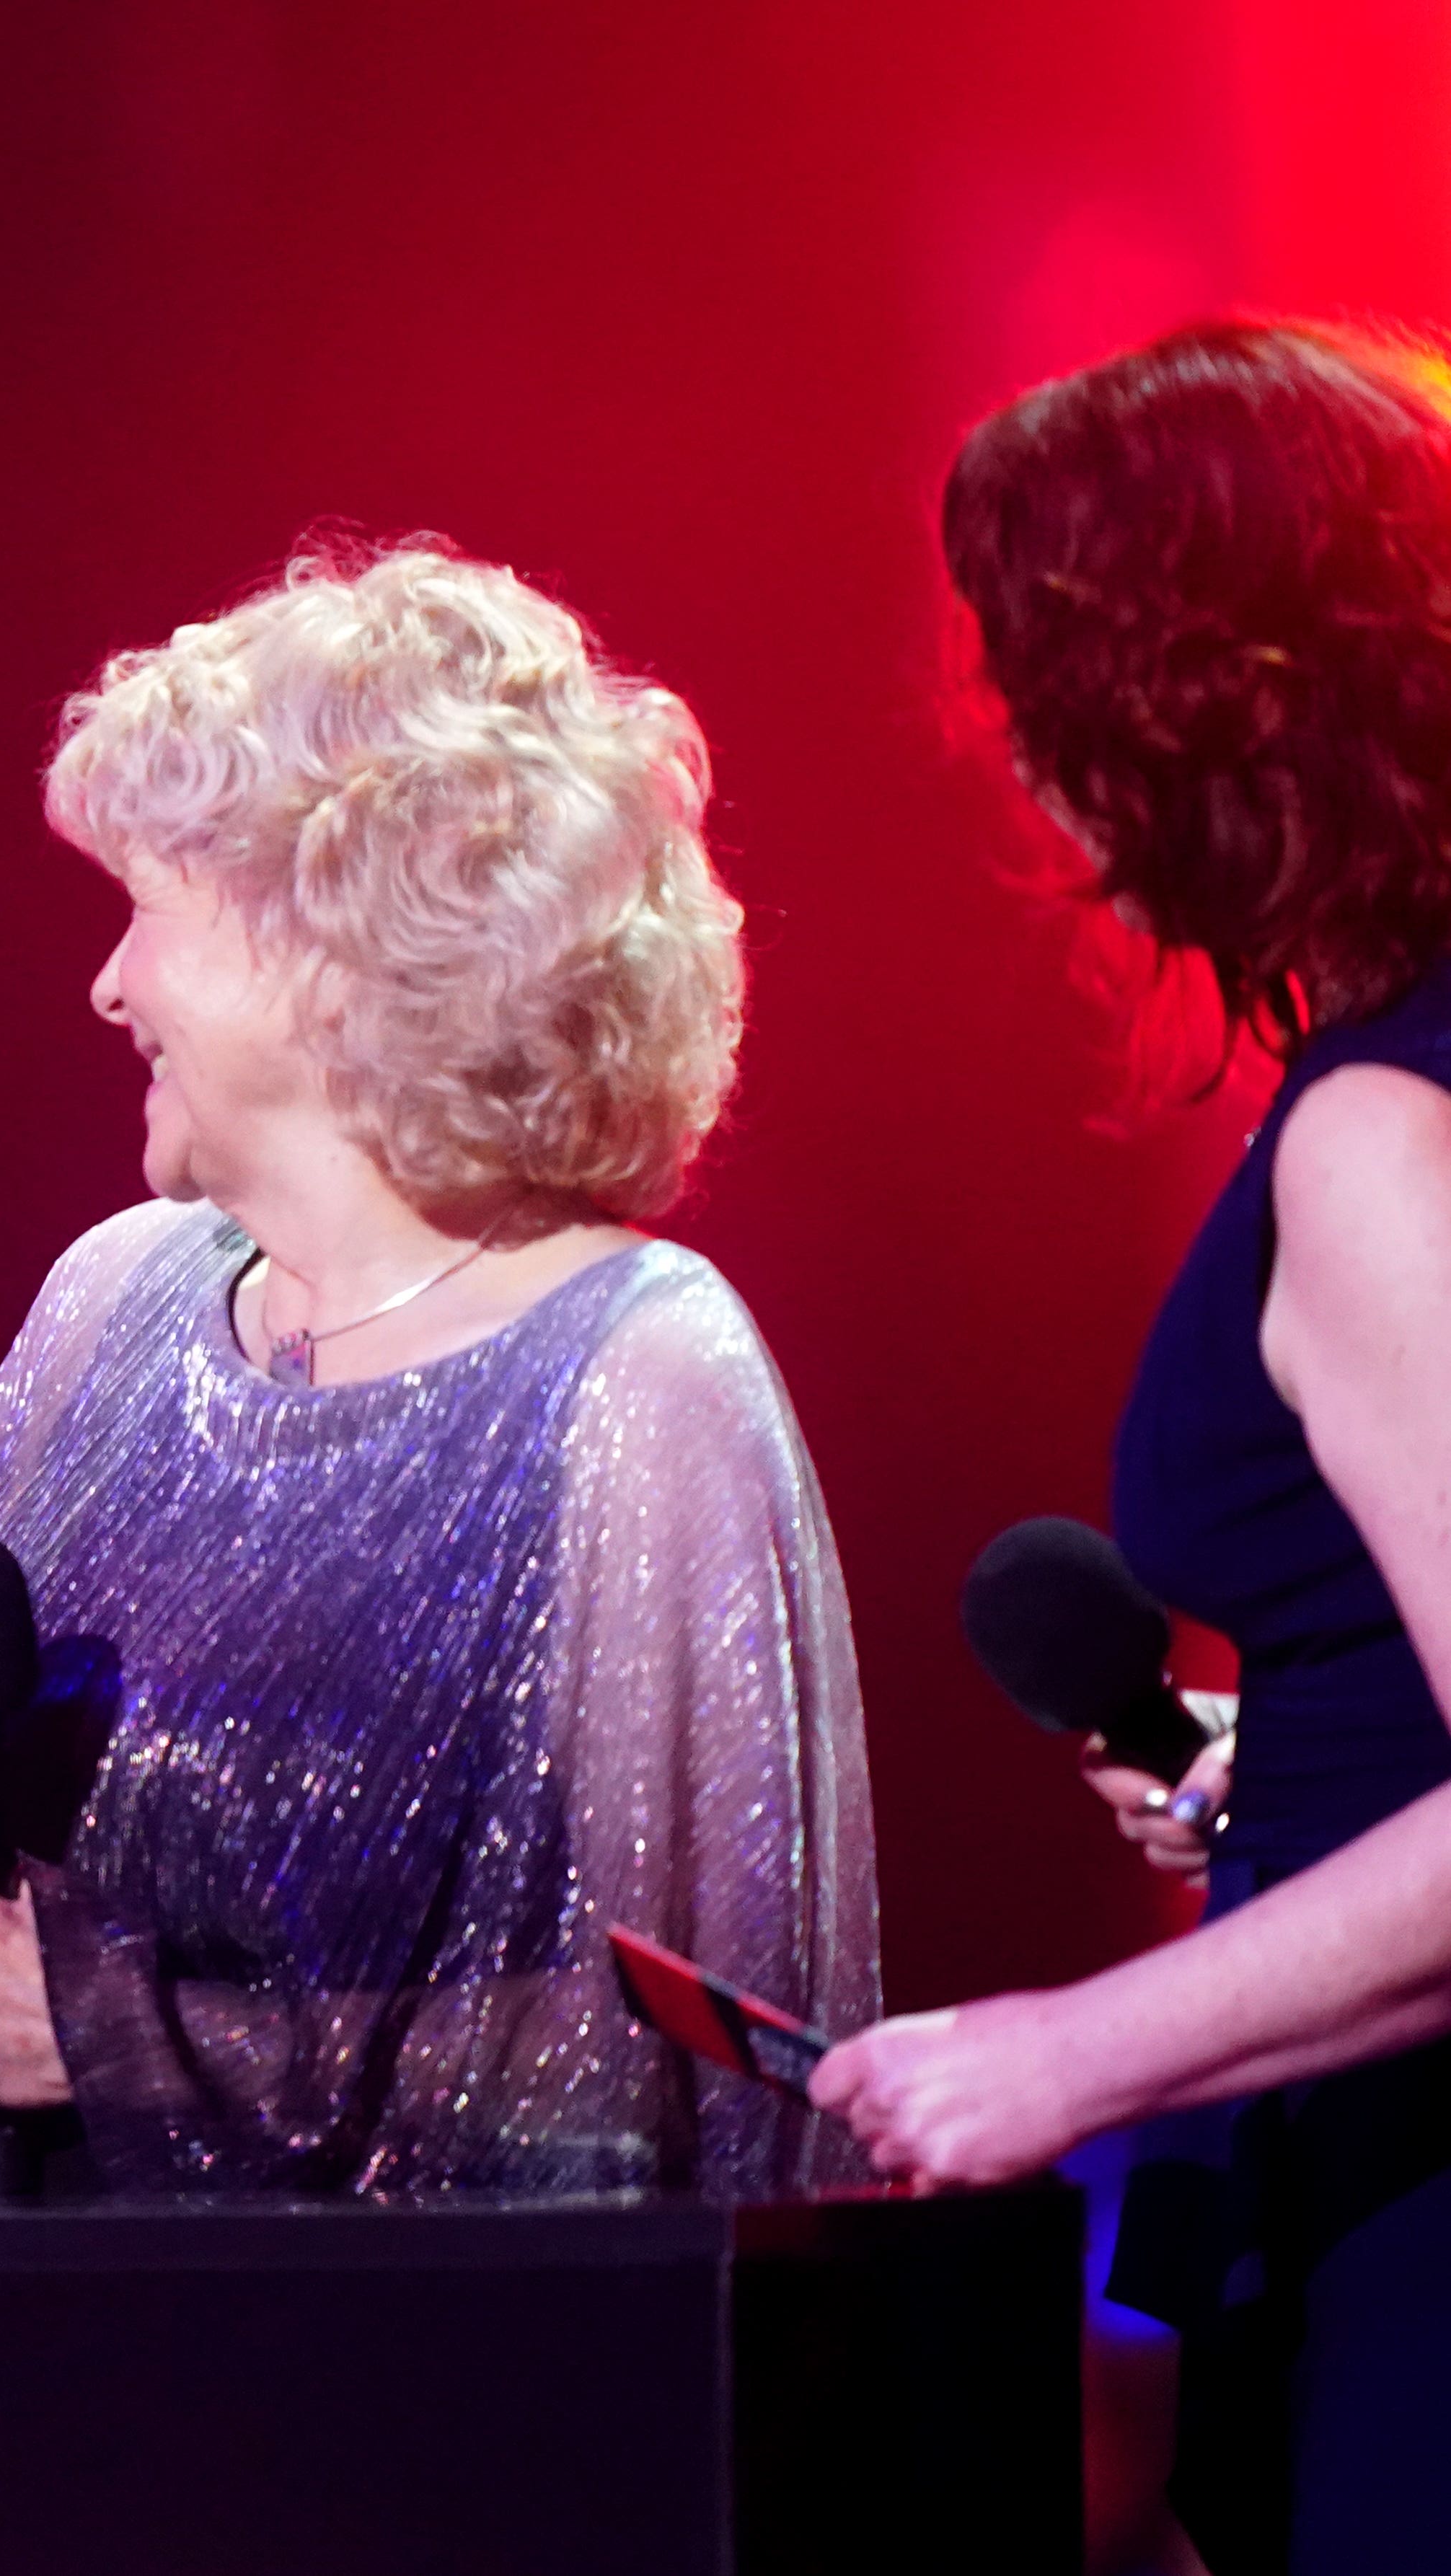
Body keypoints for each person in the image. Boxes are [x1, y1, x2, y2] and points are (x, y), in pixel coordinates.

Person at [0, 543, 876, 2197]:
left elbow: (717, 2061)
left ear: (336, 947)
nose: (108, 982)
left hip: (392, 2412)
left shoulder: (641, 1369)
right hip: (12, 2362)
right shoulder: (117, 1296)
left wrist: (123, 2040)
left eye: (148, 911)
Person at [812, 319, 1451, 2575]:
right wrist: (1268, 1766)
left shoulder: (1380, 1137)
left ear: (1199, 710)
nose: (1019, 768)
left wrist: (1066, 2054)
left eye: (1043, 689)